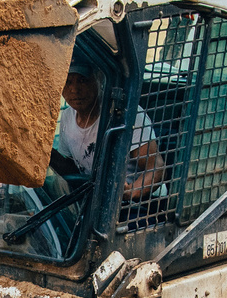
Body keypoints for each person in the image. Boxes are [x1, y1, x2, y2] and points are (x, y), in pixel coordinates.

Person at [55, 71, 164, 205]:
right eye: (68, 82)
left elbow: (156, 168)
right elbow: (71, 169)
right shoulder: (67, 117)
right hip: (97, 202)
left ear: (99, 78)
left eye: (83, 80)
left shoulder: (128, 115)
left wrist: (128, 193)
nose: (74, 89)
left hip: (141, 204)